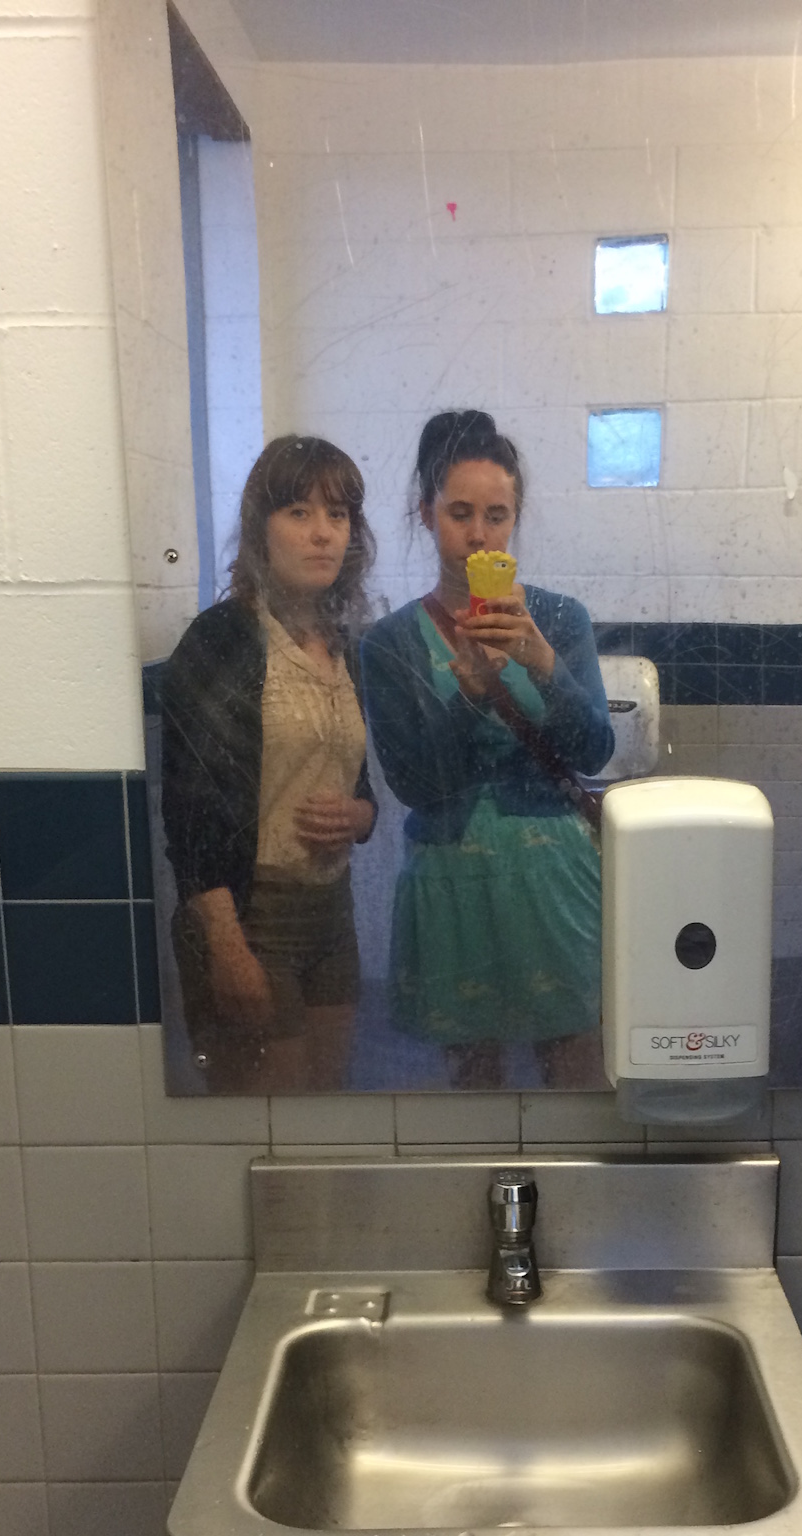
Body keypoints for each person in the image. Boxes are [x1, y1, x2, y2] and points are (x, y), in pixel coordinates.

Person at [361, 409, 614, 1089]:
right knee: (473, 1088)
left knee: (576, 1069)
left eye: (496, 516)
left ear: (515, 519)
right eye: (460, 513)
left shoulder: (559, 619)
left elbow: (594, 750)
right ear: (426, 513)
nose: (478, 534)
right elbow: (414, 784)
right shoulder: (389, 644)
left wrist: (543, 664)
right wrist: (469, 694)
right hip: (451, 885)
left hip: (555, 879)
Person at [161, 435, 377, 1091]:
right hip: (249, 915)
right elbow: (189, 813)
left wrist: (360, 816)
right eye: (299, 512)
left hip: (331, 915)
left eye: (337, 514)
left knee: (327, 1108)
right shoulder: (221, 641)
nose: (322, 533)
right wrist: (227, 947)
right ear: (261, 528)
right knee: (267, 1119)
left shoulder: (343, 646)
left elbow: (360, 784)